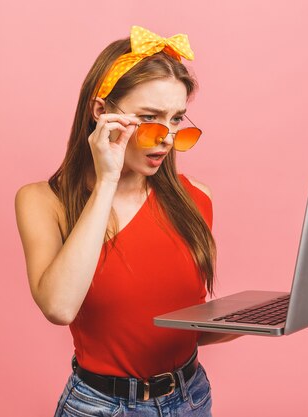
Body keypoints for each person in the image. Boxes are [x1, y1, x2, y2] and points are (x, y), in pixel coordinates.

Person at [15, 25, 240, 417]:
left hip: (191, 397)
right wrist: (107, 181)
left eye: (176, 120)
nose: (167, 138)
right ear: (101, 112)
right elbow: (59, 307)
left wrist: (260, 319)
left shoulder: (197, 198)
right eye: (150, 118)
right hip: (102, 407)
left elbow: (175, 330)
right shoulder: (42, 201)